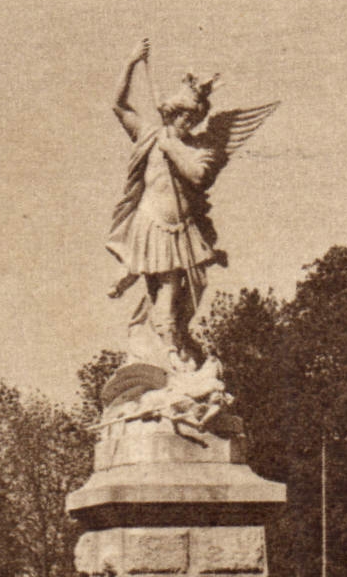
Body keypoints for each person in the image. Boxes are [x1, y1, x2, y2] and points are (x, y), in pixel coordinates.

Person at [106, 38, 277, 375]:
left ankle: (152, 302)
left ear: (198, 118)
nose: (185, 122)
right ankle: (169, 346)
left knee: (187, 291)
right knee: (167, 287)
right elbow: (119, 105)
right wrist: (130, 63)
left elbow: (198, 177)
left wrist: (173, 149)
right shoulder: (150, 135)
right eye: (180, 115)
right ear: (172, 113)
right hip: (152, 223)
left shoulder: (203, 149)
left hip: (184, 231)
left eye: (191, 117)